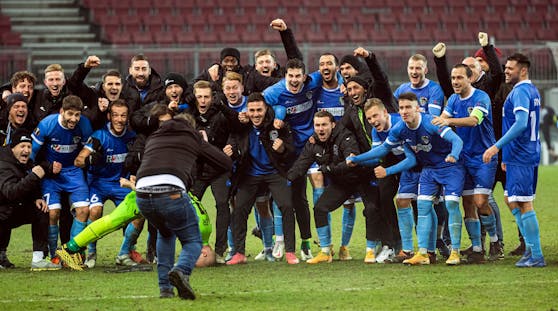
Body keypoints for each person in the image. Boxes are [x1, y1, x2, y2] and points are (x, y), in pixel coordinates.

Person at [348, 92, 465, 266]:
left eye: (408, 107)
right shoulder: (395, 130)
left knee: (447, 204)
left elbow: (415, 157)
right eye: (401, 107)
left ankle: (446, 249)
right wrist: (356, 159)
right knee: (408, 202)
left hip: (440, 166)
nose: (372, 120)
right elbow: (380, 153)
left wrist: (453, 155)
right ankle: (414, 251)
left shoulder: (425, 122)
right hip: (423, 168)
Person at [135, 112, 233, 299]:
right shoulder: (192, 136)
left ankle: (165, 289)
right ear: (192, 127)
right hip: (170, 191)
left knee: (165, 233)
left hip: (142, 194)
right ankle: (181, 270)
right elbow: (225, 163)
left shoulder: (154, 136)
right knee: (193, 240)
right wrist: (203, 144)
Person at [287, 110, 380, 264]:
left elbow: (351, 161)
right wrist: (287, 181)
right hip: (342, 183)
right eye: (317, 125)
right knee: (320, 208)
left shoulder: (345, 136)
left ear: (333, 125)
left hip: (362, 177)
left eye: (324, 125)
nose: (321, 129)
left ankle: (371, 250)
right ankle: (325, 251)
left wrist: (330, 169)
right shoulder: (313, 143)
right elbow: (300, 166)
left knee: (371, 208)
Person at [432, 64, 501, 263]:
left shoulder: (481, 97)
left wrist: (449, 122)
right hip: (463, 158)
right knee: (468, 204)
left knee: (481, 202)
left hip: (484, 157)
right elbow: (441, 119)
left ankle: (495, 241)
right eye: (453, 77)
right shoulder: (453, 99)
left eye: (459, 77)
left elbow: (474, 120)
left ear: (469, 79)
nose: (455, 81)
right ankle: (477, 248)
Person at [483, 53, 545, 267]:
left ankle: (536, 255)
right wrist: (505, 156)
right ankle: (530, 249)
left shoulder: (520, 92)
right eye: (506, 67)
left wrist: (496, 147)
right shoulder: (530, 90)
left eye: (510, 68)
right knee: (511, 199)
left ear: (523, 70)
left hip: (522, 154)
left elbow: (520, 124)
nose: (506, 71)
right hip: (518, 154)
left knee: (524, 203)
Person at [225, 93, 299, 265]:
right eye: (252, 110)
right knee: (239, 209)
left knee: (287, 206)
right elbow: (234, 147)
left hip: (275, 173)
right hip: (250, 175)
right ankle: (239, 253)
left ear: (266, 109)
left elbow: (291, 149)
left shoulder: (277, 125)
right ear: (247, 111)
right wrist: (230, 153)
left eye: (259, 110)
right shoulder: (240, 128)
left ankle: (290, 252)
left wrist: (282, 150)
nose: (256, 114)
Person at [263, 58, 323, 260]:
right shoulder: (273, 92)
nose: (295, 80)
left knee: (303, 198)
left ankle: (311, 242)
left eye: (298, 76)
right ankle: (279, 241)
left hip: (310, 147)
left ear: (304, 77)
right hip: (286, 151)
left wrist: (340, 81)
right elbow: (258, 107)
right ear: (285, 76)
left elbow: (333, 72)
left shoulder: (313, 82)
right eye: (291, 76)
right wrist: (278, 112)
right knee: (284, 197)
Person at [73, 99, 136, 268]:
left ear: (128, 117)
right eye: (115, 115)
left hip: (120, 184)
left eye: (123, 115)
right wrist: (90, 160)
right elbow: (78, 161)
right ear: (109, 116)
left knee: (139, 213)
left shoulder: (132, 137)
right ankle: (91, 254)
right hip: (98, 184)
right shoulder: (99, 136)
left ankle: (124, 253)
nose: (119, 119)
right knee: (95, 210)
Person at [31, 95, 93, 260]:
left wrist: (83, 154)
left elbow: (91, 143)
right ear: (62, 112)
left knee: (83, 210)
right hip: (52, 175)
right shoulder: (47, 124)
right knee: (53, 213)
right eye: (70, 114)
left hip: (74, 172)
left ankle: (71, 254)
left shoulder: (84, 124)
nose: (74, 119)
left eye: (77, 115)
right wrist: (43, 169)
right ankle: (53, 255)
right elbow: (31, 153)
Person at [188, 80, 241, 263]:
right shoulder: (188, 115)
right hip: (198, 170)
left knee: (221, 204)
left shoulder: (222, 113)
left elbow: (237, 130)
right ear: (194, 98)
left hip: (219, 168)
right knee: (189, 208)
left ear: (213, 97)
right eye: (199, 97)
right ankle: (192, 248)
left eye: (207, 97)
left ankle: (220, 250)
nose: (203, 101)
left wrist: (231, 146)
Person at [0, 128, 61, 270]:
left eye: (28, 146)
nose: (26, 150)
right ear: (13, 147)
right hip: (3, 212)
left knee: (41, 209)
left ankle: (38, 259)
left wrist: (36, 198)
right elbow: (11, 193)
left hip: (10, 210)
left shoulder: (25, 162)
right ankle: (1, 255)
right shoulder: (3, 164)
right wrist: (33, 176)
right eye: (22, 146)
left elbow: (31, 178)